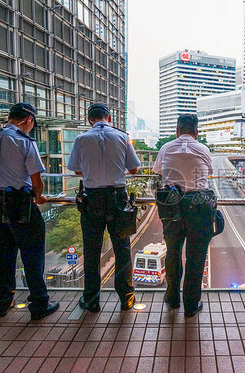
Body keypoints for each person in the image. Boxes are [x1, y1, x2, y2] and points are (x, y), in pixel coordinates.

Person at [0, 102, 59, 320]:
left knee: (3, 255)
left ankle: (2, 303)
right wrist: (38, 195)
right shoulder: (24, 141)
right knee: (33, 254)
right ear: (28, 120)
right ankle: (39, 303)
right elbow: (36, 179)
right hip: (22, 204)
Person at [67, 103, 140, 313]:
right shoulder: (122, 137)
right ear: (109, 118)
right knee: (122, 249)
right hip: (118, 198)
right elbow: (134, 169)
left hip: (92, 199)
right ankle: (126, 298)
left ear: (90, 119)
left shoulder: (81, 139)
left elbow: (76, 171)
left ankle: (91, 300)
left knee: (91, 251)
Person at [152, 114, 215, 318]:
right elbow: (209, 172)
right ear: (196, 132)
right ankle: (191, 303)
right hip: (199, 206)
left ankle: (172, 298)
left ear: (177, 131)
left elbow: (158, 171)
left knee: (173, 253)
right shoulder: (203, 149)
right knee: (196, 257)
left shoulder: (166, 148)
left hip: (172, 206)